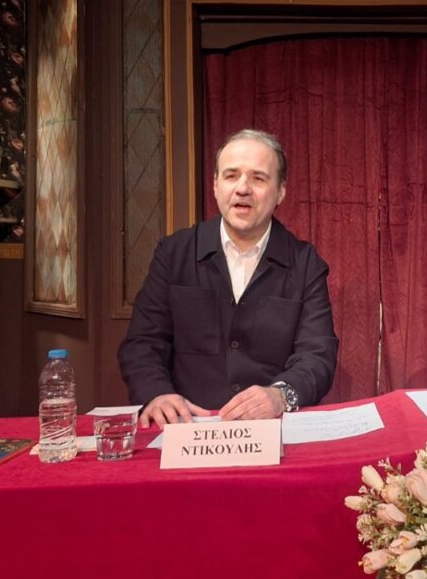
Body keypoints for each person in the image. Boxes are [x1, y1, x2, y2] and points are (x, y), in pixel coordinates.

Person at [118, 129, 338, 427]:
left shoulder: (305, 263)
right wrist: (156, 394)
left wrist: (279, 396)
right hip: (187, 426)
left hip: (272, 429)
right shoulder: (174, 254)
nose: (242, 188)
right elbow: (142, 343)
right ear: (215, 185)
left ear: (281, 191)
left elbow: (317, 355)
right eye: (231, 176)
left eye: (258, 178)